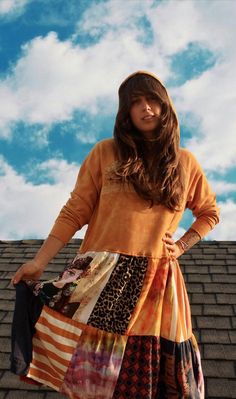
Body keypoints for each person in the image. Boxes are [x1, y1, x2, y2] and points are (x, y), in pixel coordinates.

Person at [11, 71, 219, 398]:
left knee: (148, 381)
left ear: (166, 106)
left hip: (157, 282)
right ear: (125, 112)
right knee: (98, 376)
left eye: (152, 100)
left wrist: (181, 245)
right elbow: (74, 211)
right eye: (135, 103)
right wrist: (39, 262)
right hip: (101, 275)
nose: (146, 108)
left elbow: (209, 213)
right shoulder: (105, 152)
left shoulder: (186, 163)